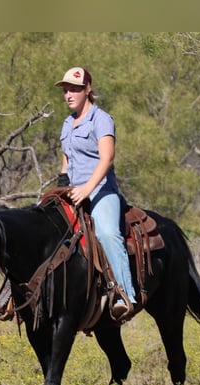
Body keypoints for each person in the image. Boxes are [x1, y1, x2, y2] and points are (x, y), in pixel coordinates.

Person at [54, 66, 137, 321]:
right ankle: (19, 296)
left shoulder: (101, 119)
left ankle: (125, 295)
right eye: (66, 90)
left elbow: (107, 158)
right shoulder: (68, 123)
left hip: (101, 191)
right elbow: (66, 162)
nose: (69, 94)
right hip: (74, 192)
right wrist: (62, 188)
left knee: (107, 233)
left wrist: (87, 189)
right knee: (41, 224)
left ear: (87, 89)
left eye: (75, 89)